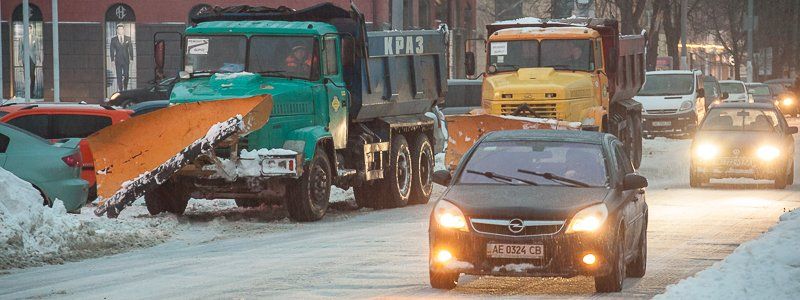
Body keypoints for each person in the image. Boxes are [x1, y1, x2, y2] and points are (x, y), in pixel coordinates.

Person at [17, 24, 41, 98]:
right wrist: (20, 59)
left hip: (32, 59)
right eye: (27, 29)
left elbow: (37, 49)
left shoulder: (35, 38)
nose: (29, 30)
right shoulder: (21, 38)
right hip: (25, 58)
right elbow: (20, 49)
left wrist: (38, 58)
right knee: (26, 75)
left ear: (31, 29)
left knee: (32, 75)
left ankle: (31, 92)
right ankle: (26, 92)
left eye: (30, 29)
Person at [110, 24, 134, 91]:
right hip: (118, 60)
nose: (120, 30)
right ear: (117, 30)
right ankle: (121, 90)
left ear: (123, 30)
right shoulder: (113, 39)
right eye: (119, 29)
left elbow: (131, 49)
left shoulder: (128, 38)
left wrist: (131, 58)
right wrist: (112, 60)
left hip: (126, 59)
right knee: (119, 76)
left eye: (121, 29)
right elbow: (111, 50)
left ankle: (125, 88)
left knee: (126, 75)